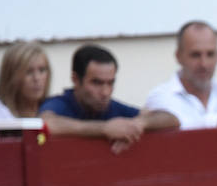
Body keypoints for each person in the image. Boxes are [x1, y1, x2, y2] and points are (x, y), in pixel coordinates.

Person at [40, 45, 178, 153]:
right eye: (96, 83)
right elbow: (45, 123)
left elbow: (171, 118)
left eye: (110, 83)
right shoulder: (61, 103)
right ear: (76, 79)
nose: (105, 92)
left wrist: (138, 124)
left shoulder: (113, 107)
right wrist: (104, 128)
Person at [0, 42, 51, 119]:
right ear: (11, 76)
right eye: (29, 71)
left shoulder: (54, 110)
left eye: (42, 70)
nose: (37, 78)